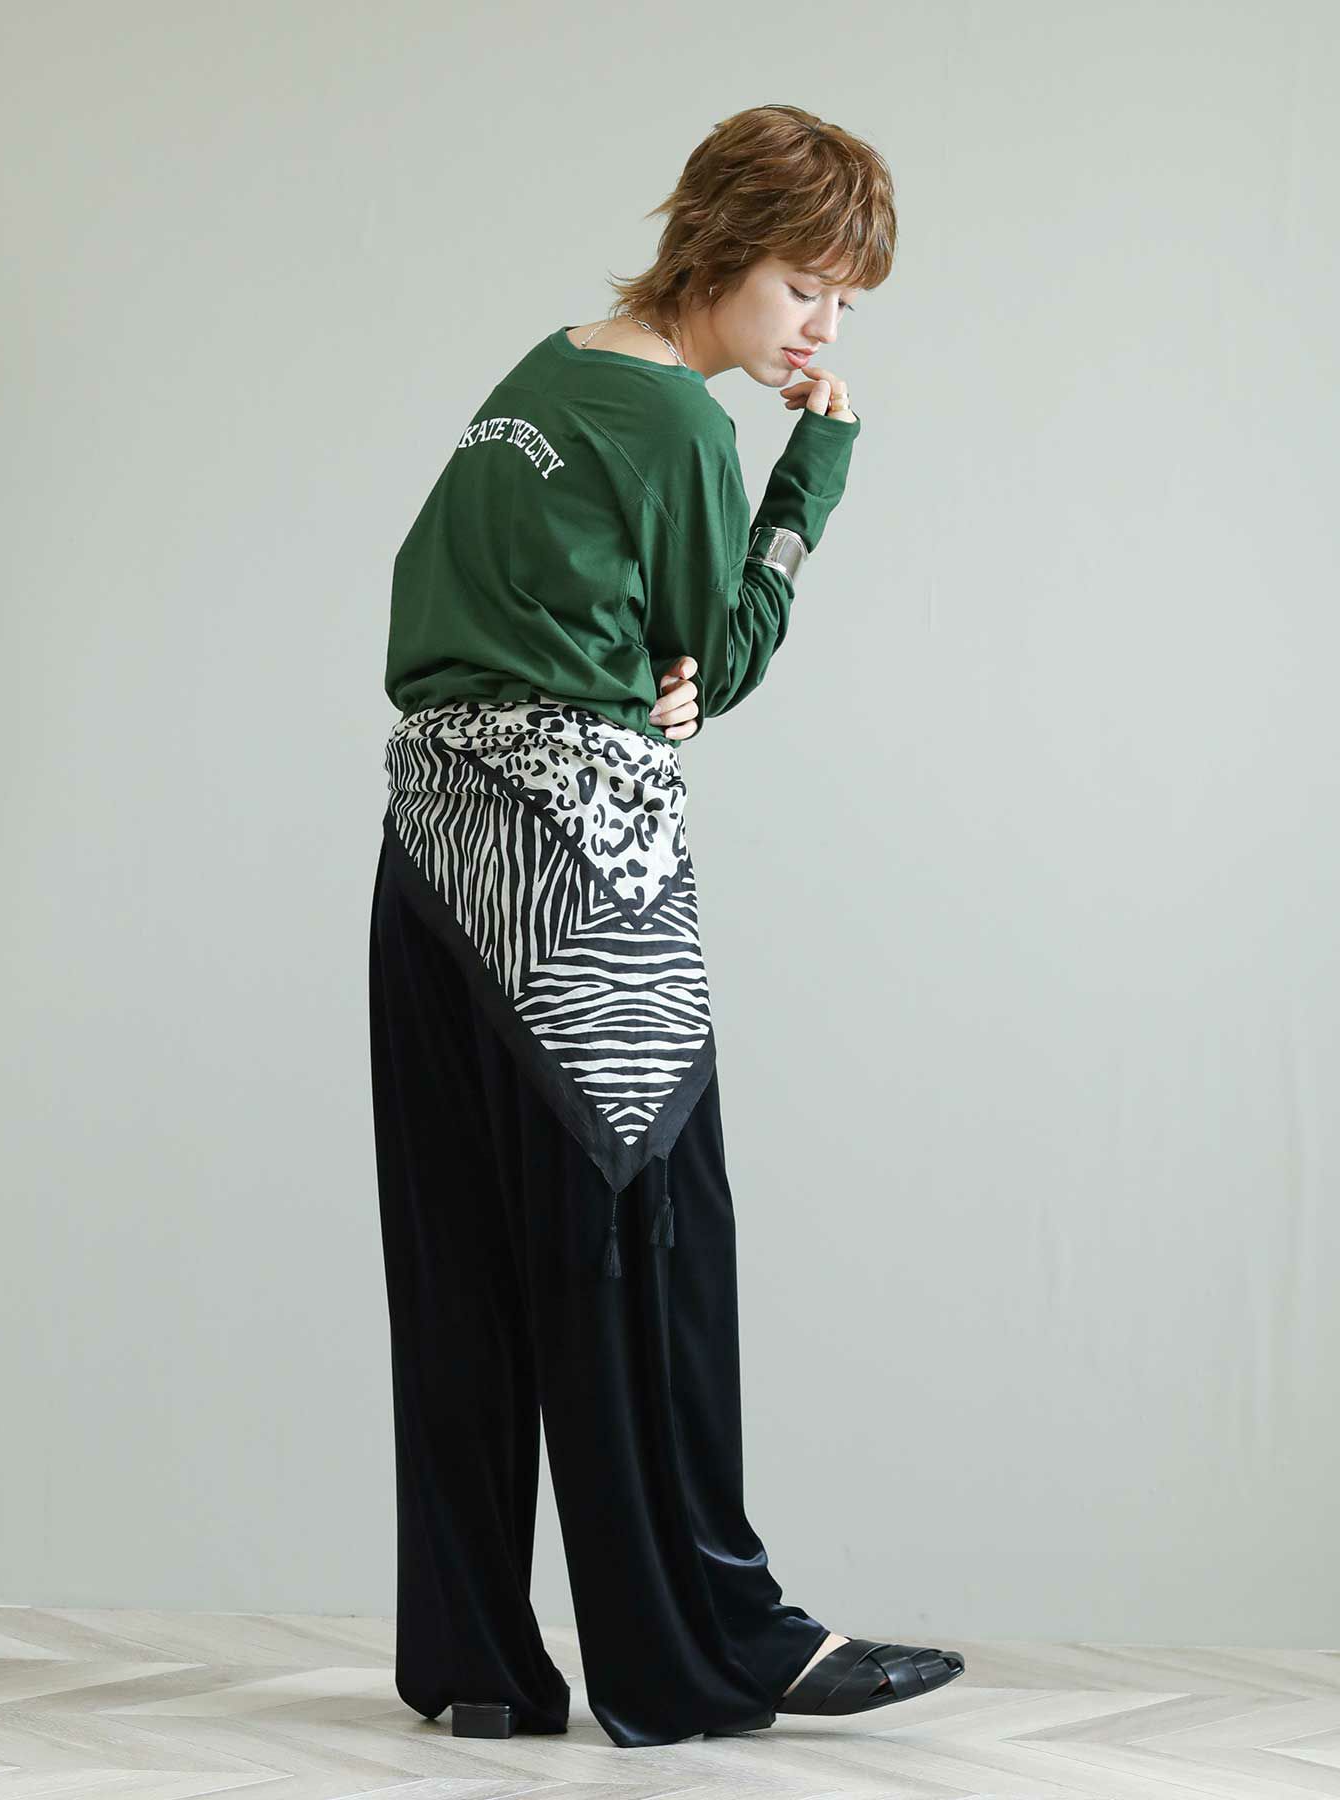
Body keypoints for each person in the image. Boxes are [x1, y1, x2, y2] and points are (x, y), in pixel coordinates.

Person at [369, 102, 965, 1749]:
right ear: (722, 248)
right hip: (581, 873)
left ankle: (476, 1661)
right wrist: (812, 473)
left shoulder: (545, 373)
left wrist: (649, 668)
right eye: (805, 287)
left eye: (845, 303)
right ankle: (708, 1647)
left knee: (464, 1257)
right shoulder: (681, 422)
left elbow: (500, 601)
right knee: (647, 1258)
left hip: (431, 854)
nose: (821, 328)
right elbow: (731, 648)